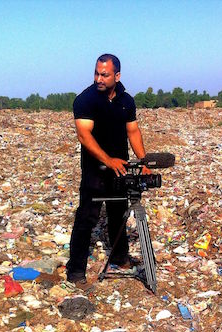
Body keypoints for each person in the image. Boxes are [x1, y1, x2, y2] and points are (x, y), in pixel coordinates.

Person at [66, 53, 150, 289]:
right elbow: (84, 135)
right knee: (87, 217)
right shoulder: (86, 100)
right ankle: (75, 271)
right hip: (95, 169)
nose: (99, 78)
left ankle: (120, 258)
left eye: (105, 74)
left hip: (120, 168)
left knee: (118, 212)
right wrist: (108, 160)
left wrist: (142, 160)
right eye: (96, 73)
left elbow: (133, 131)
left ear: (117, 75)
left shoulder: (126, 101)